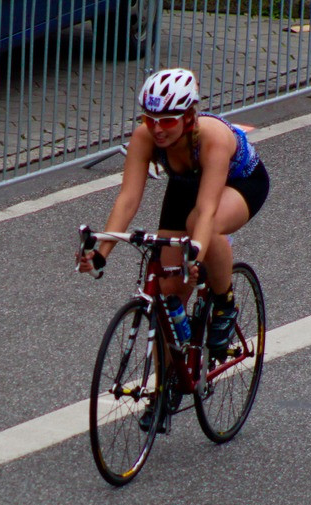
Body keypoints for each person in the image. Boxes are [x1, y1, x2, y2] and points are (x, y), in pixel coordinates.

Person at [77, 67, 269, 357]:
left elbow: (205, 210)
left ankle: (225, 304)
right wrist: (102, 254)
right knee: (168, 297)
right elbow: (128, 199)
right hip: (186, 184)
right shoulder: (145, 137)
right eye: (150, 120)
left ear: (189, 117)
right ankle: (166, 390)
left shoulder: (212, 138)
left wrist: (195, 257)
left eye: (167, 121)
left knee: (203, 225)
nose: (157, 129)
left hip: (240, 182)